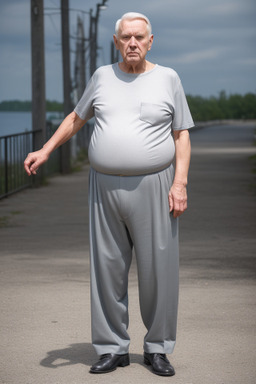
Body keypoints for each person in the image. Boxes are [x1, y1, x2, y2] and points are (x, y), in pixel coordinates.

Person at [24, 12, 194, 377]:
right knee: (106, 269)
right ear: (116, 42)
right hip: (103, 187)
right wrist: (46, 150)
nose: (132, 43)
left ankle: (158, 348)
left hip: (155, 185)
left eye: (139, 37)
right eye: (125, 37)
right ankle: (112, 348)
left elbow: (181, 134)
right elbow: (76, 117)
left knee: (159, 272)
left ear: (151, 41)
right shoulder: (102, 76)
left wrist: (179, 183)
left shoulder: (168, 78)